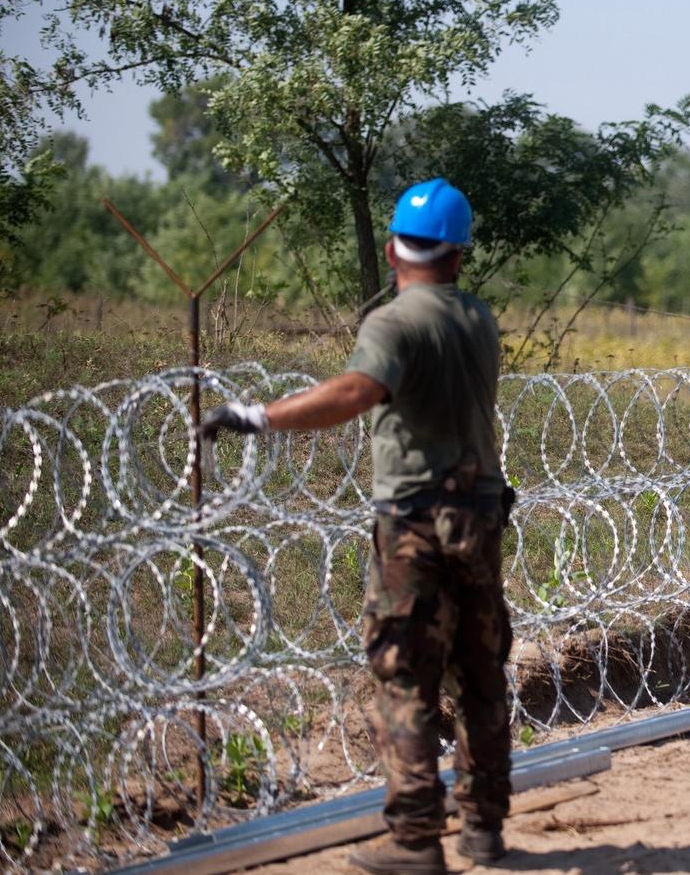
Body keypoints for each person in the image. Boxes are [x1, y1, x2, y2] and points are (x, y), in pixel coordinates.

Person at [201, 178, 515, 875]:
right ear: (460, 252)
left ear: (394, 248)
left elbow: (356, 392)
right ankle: (485, 829)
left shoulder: (395, 321)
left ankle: (413, 842)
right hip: (482, 515)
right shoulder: (478, 317)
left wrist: (258, 416)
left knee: (406, 680)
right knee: (480, 673)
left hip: (415, 524)